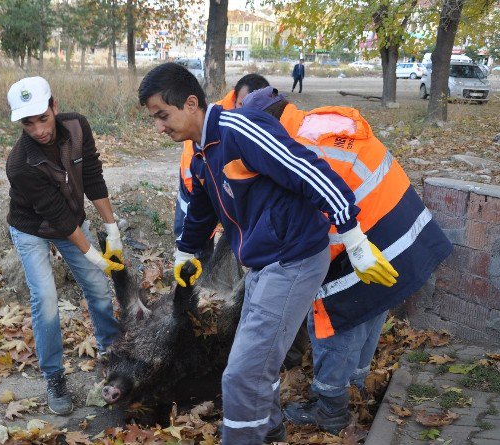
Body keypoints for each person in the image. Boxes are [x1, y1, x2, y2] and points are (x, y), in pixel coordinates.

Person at [138, 63, 398, 444]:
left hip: (294, 259)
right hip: (264, 263)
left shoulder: (243, 129)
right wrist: (185, 252)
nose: (158, 127)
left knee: (242, 374)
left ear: (190, 103)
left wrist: (354, 240)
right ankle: (270, 429)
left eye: (162, 115)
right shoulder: (203, 151)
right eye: (154, 118)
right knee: (256, 362)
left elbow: (313, 173)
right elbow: (202, 205)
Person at [241, 86, 452, 434]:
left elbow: (316, 229)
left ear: (266, 124)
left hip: (367, 239)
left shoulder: (301, 150)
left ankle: (331, 410)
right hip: (401, 230)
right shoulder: (316, 125)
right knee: (368, 308)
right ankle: (356, 386)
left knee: (333, 317)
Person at [5, 76, 125, 415]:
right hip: (31, 228)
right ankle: (54, 376)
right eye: (28, 123)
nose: (39, 129)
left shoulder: (76, 127)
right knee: (45, 299)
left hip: (70, 219)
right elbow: (56, 217)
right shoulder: (20, 163)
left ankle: (112, 356)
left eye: (42, 118)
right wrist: (94, 254)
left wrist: (111, 229)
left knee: (99, 290)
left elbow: (93, 177)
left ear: (54, 107)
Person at [174, 73, 269, 239]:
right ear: (234, 99)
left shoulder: (264, 123)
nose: (248, 112)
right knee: (193, 236)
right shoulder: (207, 124)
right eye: (242, 104)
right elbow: (197, 184)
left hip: (225, 191)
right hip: (195, 191)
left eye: (256, 107)